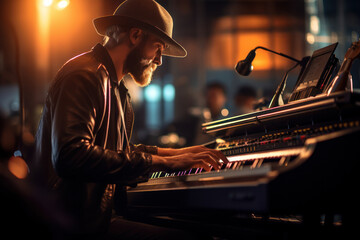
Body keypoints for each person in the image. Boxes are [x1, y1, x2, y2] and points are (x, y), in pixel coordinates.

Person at [31, 0, 227, 239]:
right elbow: (71, 154)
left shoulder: (112, 84)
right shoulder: (85, 75)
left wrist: (178, 154)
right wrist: (164, 163)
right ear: (135, 35)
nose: (159, 60)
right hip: (72, 224)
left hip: (93, 218)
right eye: (158, 47)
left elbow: (115, 150)